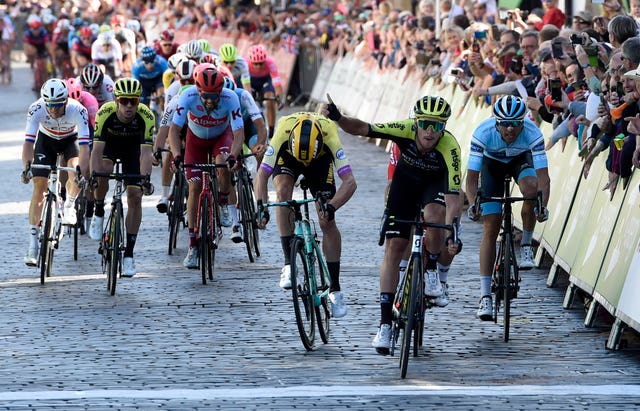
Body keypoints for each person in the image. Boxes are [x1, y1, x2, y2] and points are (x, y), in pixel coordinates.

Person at [323, 94, 462, 354]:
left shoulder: (450, 148)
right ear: (416, 122)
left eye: (438, 126)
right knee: (394, 246)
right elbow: (365, 128)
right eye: (425, 124)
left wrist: (452, 231)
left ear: (444, 127)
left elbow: (454, 199)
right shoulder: (405, 130)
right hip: (405, 186)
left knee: (434, 218)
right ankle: (385, 324)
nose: (430, 132)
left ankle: (431, 270)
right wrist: (339, 118)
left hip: (435, 187)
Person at [254, 112, 356, 319]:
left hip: (321, 162)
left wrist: (332, 207)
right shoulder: (282, 130)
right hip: (288, 158)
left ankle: (335, 289)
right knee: (282, 193)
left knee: (326, 220)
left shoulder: (330, 133)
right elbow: (262, 175)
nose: (305, 165)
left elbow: (350, 182)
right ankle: (288, 264)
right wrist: (261, 206)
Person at [466, 95, 550, 321]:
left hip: (520, 160)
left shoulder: (533, 134)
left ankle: (525, 244)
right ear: (496, 122)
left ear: (524, 122)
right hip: (491, 164)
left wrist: (542, 206)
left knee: (531, 190)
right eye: (504, 123)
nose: (510, 129)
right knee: (490, 226)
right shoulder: (483, 133)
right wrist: (474, 203)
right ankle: (485, 296)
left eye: (515, 124)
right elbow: (472, 180)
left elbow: (544, 178)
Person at [167, 63, 245, 269]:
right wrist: (176, 155)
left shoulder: (231, 97)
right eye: (206, 97)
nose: (210, 102)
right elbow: (174, 130)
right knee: (193, 188)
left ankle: (223, 202)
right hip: (196, 141)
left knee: (223, 164)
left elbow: (238, 133)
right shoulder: (188, 96)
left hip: (222, 137)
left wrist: (234, 156)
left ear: (221, 92)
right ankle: (193, 245)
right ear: (198, 91)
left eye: (214, 97)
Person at [89, 78, 155, 277]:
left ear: (138, 102)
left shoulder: (146, 116)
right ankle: (99, 212)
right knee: (103, 170)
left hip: (133, 151)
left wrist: (145, 180)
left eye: (133, 101)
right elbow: (96, 151)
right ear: (116, 100)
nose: (128, 106)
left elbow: (146, 154)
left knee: (135, 197)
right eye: (124, 101)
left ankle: (129, 255)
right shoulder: (104, 113)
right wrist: (94, 175)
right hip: (110, 145)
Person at [21, 78, 90, 266]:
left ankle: (69, 204)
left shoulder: (79, 110)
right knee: (39, 189)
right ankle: (33, 245)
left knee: (74, 171)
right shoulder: (36, 108)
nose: (53, 110)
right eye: (49, 105)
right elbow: (28, 143)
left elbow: (84, 148)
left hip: (71, 140)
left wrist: (82, 171)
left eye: (58, 105)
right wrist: (27, 166)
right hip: (46, 141)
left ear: (66, 101)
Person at [222, 76, 267, 242]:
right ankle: (235, 222)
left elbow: (261, 126)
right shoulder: (220, 102)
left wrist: (260, 145)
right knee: (226, 167)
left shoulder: (243, 95)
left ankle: (262, 202)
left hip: (248, 127)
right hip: (228, 131)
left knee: (260, 153)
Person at [247, 44, 283, 139]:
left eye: (261, 63)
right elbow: (243, 83)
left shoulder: (270, 62)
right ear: (251, 61)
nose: (258, 66)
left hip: (265, 81)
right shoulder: (245, 63)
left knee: (270, 99)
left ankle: (271, 131)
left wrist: (279, 100)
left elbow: (277, 83)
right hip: (250, 81)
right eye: (255, 63)